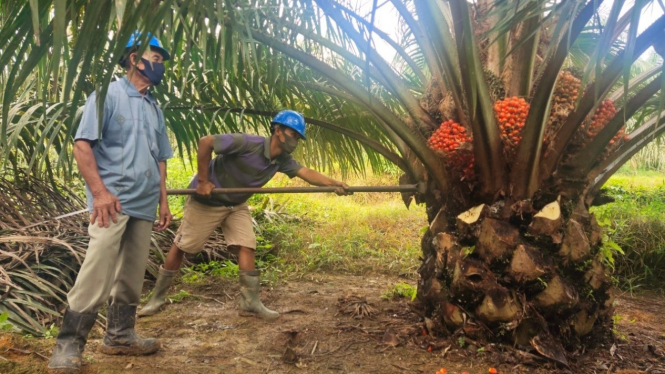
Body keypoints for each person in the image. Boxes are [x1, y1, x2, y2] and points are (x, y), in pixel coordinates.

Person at [139, 110, 349, 319]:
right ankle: (157, 297)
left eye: (298, 137)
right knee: (184, 246)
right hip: (206, 202)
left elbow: (307, 173)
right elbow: (205, 142)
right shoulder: (248, 143)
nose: (295, 140)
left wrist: (334, 184)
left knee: (247, 244)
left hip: (236, 204)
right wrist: (203, 181)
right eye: (292, 134)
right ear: (278, 131)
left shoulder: (283, 160)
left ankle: (250, 302)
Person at [48, 32, 174, 371]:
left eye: (162, 60)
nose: (160, 65)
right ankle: (68, 345)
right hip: (112, 203)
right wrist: (100, 194)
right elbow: (82, 145)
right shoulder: (108, 95)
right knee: (97, 270)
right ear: (135, 59)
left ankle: (119, 336)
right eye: (156, 58)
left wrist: (163, 202)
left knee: (131, 274)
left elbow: (160, 158)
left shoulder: (154, 108)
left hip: (145, 202)